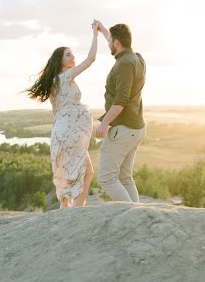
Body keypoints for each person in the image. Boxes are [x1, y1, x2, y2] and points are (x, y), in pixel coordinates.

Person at [26, 21, 98, 208]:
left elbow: (57, 112)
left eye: (73, 53)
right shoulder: (66, 77)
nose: (73, 56)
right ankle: (76, 214)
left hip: (61, 133)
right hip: (71, 133)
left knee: (68, 177)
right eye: (69, 54)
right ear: (60, 60)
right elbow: (91, 59)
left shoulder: (53, 83)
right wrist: (96, 34)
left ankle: (67, 212)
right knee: (86, 172)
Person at [94, 21, 146, 202]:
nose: (108, 44)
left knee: (106, 178)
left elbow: (121, 100)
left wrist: (104, 123)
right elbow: (117, 42)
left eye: (110, 42)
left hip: (123, 129)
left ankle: (131, 216)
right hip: (136, 128)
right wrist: (102, 30)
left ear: (116, 43)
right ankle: (137, 216)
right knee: (125, 177)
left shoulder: (124, 64)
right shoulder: (137, 59)